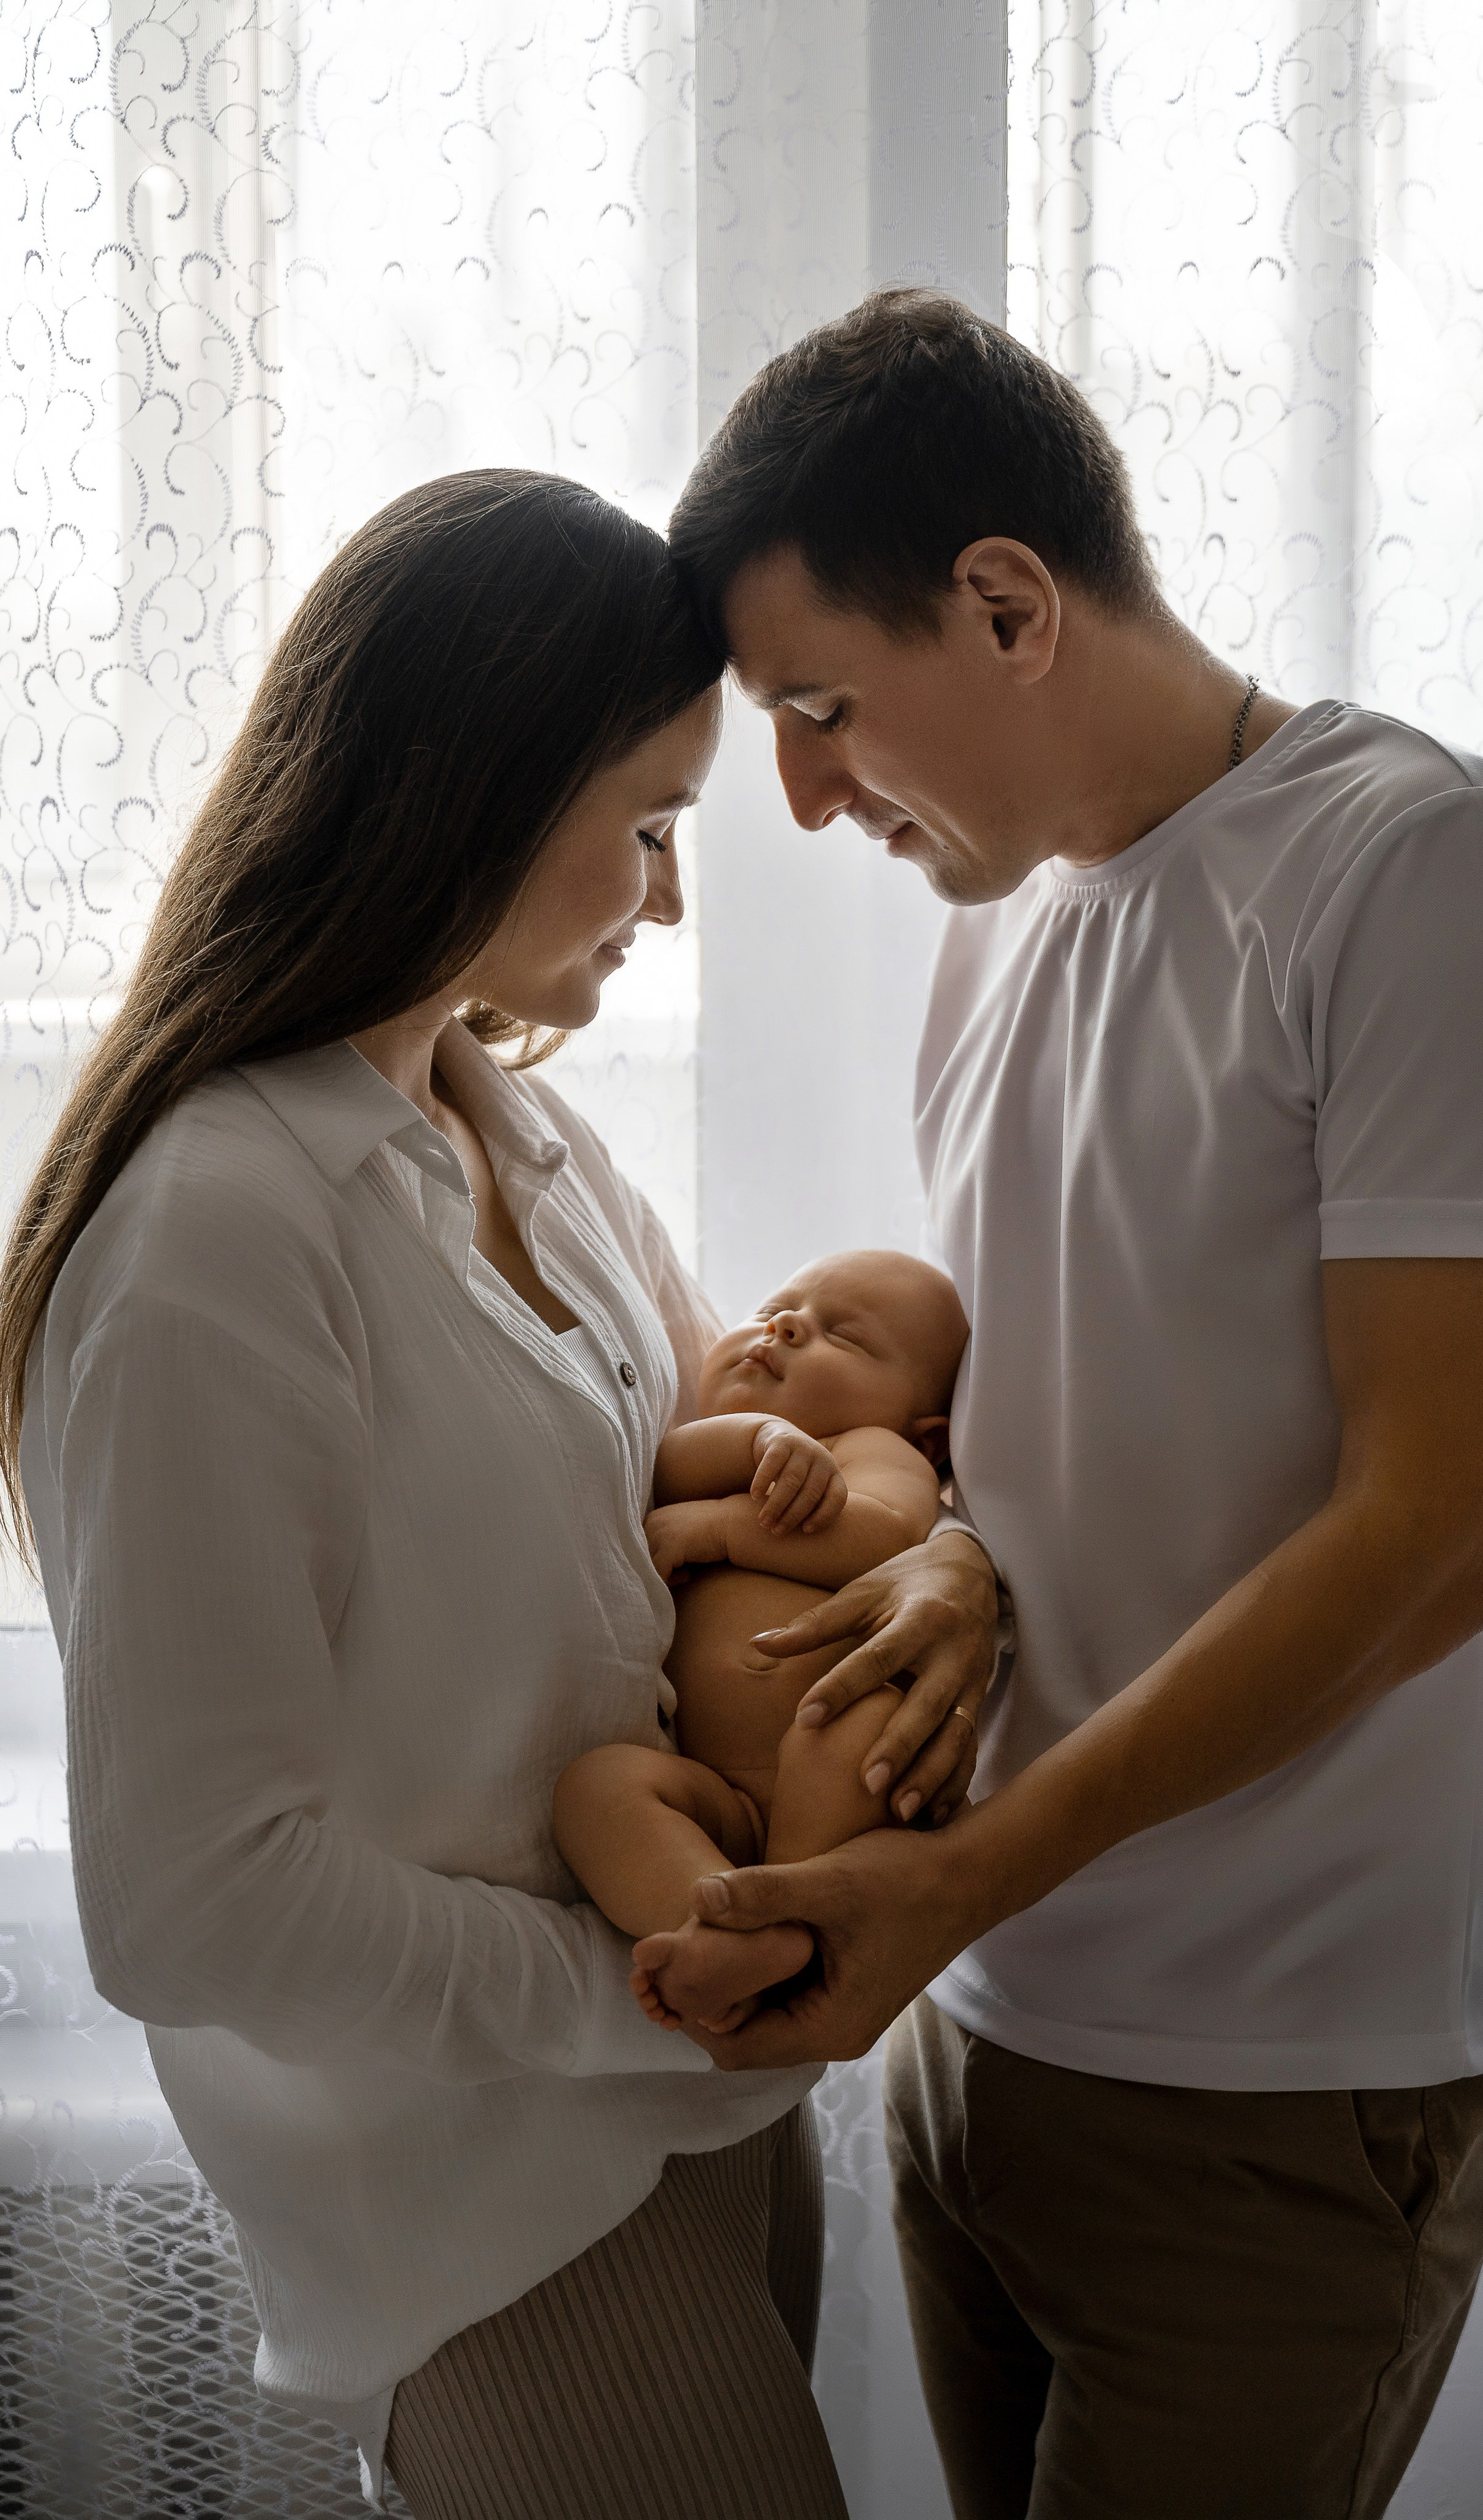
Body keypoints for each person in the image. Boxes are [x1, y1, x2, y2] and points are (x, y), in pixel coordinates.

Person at [654, 292, 1483, 2518]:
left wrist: (962, 1872)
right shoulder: (996, 930)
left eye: (822, 707)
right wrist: (945, 1546)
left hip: (1286, 2074)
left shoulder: (1432, 879)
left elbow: (1436, 1535)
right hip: (990, 2011)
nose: (803, 795)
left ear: (1005, 600)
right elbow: (1082, 1407)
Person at [0, 469, 997, 2520]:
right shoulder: (215, 1232)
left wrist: (953, 1558)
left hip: (703, 2110)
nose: (668, 899)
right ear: (472, 788)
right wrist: (646, 1997)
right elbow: (189, 1895)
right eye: (645, 825)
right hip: (495, 2193)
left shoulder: (511, 1135)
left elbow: (762, 1483)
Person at [553, 1248, 968, 2031]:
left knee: (861, 1725)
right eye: (775, 1307)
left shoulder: (874, 1449)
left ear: (932, 1440)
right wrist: (759, 1436)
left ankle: (798, 1910)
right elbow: (672, 1466)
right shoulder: (708, 1445)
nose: (783, 1324)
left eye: (841, 1336)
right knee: (597, 1788)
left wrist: (720, 1527)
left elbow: (885, 1538)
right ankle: (720, 1923)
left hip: (824, 1773)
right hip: (722, 1799)